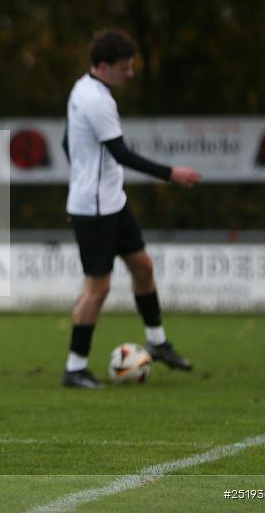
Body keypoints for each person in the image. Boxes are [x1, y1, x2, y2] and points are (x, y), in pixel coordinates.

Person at [62, 29, 201, 389]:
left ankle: (157, 343)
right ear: (103, 66)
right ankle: (75, 368)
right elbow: (121, 153)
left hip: (111, 201)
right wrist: (171, 173)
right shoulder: (96, 100)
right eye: (125, 67)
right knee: (98, 288)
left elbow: (66, 142)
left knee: (143, 266)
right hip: (95, 209)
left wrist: (79, 183)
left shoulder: (83, 88)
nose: (131, 73)